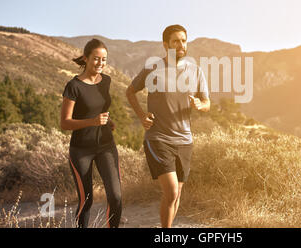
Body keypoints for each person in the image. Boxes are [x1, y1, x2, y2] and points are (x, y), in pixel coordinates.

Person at [126, 24, 210, 228]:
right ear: (166, 45)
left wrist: (200, 104)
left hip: (184, 140)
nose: (181, 44)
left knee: (177, 192)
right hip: (158, 138)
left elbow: (207, 103)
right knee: (171, 191)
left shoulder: (196, 71)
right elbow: (130, 92)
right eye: (175, 41)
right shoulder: (153, 68)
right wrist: (142, 116)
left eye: (183, 40)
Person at [60, 39, 122, 228]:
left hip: (105, 145)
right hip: (81, 150)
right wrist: (92, 122)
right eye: (96, 59)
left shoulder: (107, 81)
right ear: (86, 59)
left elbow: (98, 107)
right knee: (86, 200)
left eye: (104, 60)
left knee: (116, 196)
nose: (100, 63)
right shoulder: (73, 86)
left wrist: (107, 121)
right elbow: (65, 123)